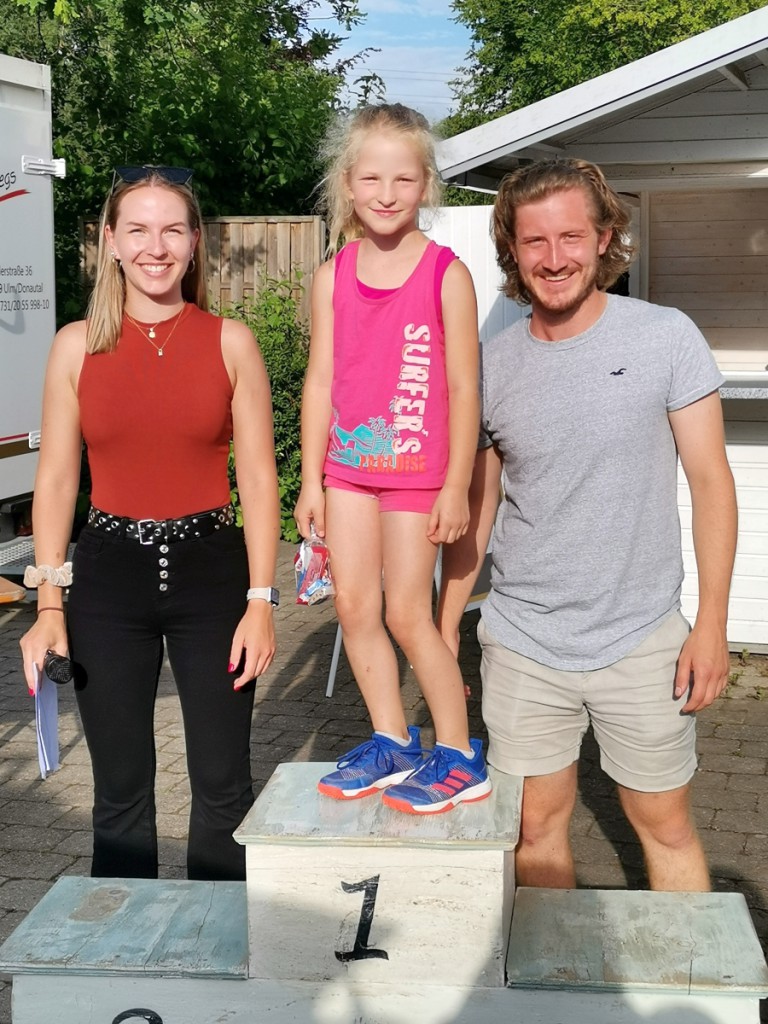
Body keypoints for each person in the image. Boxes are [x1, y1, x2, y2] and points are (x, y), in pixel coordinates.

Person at [438, 158, 737, 889]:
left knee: (664, 826)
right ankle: (550, 970)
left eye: (570, 237)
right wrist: (443, 627)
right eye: (534, 241)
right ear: (512, 250)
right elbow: (477, 509)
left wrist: (712, 625)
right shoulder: (488, 367)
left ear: (604, 238)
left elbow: (712, 484)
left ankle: (681, 965)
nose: (554, 258)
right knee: (535, 831)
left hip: (643, 636)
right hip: (524, 641)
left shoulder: (665, 336)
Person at [19, 165, 281, 880]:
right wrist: (48, 606)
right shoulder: (75, 346)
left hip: (213, 577)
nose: (154, 247)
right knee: (119, 796)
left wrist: (262, 602)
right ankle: (124, 940)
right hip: (108, 580)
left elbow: (259, 480)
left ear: (195, 243)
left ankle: (218, 938)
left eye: (172, 230)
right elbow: (57, 480)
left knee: (224, 790)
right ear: (110, 241)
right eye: (137, 229)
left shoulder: (231, 342)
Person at [294, 104, 491, 814]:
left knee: (409, 613)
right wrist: (311, 480)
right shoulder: (332, 275)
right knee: (354, 605)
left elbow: (466, 387)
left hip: (417, 476)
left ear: (426, 184)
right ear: (348, 184)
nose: (386, 193)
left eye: (403, 179)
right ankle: (392, 740)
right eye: (371, 178)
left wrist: (456, 485)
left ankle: (460, 753)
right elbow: (321, 380)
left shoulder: (446, 275)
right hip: (348, 472)